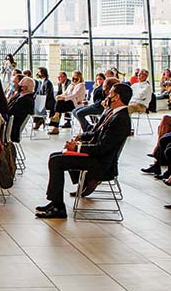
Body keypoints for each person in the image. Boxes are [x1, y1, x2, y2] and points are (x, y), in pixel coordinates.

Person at [34, 83, 133, 219]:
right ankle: (55, 202)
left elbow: (102, 148)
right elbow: (96, 132)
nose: (107, 96)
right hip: (96, 157)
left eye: (110, 94)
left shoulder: (121, 119)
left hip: (101, 163)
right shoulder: (112, 113)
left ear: (117, 97)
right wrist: (81, 139)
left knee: (57, 161)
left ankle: (58, 207)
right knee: (54, 156)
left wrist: (77, 148)